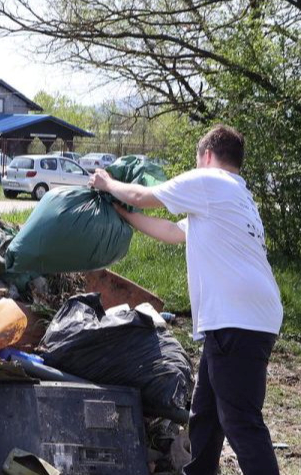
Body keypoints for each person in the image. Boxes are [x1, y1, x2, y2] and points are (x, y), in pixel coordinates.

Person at [89, 125, 283, 475]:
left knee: (240, 420)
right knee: (206, 414)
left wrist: (107, 184)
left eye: (197, 159)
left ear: (207, 156)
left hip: (237, 319)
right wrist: (125, 214)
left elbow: (140, 194)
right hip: (244, 317)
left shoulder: (209, 182)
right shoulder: (236, 198)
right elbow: (173, 231)